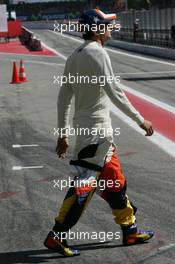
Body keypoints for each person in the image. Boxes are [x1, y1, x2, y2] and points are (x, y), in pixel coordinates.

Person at [44, 9, 154, 257]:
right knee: (84, 187)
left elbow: (63, 99)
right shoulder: (98, 53)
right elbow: (115, 91)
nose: (110, 29)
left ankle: (130, 230)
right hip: (96, 135)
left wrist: (63, 134)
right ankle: (56, 235)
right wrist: (140, 120)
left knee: (115, 182)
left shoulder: (74, 56)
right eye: (106, 25)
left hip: (94, 135)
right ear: (95, 30)